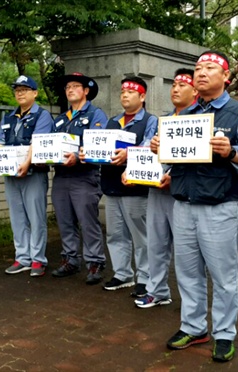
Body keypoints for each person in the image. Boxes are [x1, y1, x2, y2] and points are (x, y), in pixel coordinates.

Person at [153, 50, 238, 362]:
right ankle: (193, 326)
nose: (201, 73)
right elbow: (175, 160)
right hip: (183, 204)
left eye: (210, 68)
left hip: (219, 206)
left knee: (224, 275)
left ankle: (224, 333)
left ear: (226, 77)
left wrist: (231, 151)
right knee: (187, 272)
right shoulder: (184, 117)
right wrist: (160, 152)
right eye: (197, 68)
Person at [85, 76, 157, 296]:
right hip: (111, 185)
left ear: (142, 96)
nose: (124, 95)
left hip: (136, 187)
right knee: (115, 234)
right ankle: (122, 273)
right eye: (122, 91)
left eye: (130, 91)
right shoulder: (113, 121)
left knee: (141, 235)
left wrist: (129, 154)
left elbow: (150, 146)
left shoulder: (150, 120)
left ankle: (145, 278)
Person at [133, 68, 197, 308]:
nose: (176, 89)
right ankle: (157, 291)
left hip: (183, 194)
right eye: (174, 85)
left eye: (182, 85)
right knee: (156, 243)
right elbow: (144, 150)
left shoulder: (199, 119)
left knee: (185, 251)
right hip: (156, 190)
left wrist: (173, 174)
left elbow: (197, 157)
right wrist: (133, 171)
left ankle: (191, 302)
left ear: (195, 91)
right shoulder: (162, 121)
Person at [50, 73, 108, 284]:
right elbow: (48, 144)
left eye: (75, 86)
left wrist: (78, 156)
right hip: (61, 176)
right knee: (65, 220)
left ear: (86, 91)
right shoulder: (59, 119)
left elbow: (97, 144)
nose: (70, 90)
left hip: (84, 175)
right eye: (68, 87)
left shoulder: (96, 115)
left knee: (87, 221)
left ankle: (95, 262)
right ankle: (70, 259)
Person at [0, 75, 54, 277]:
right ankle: (22, 257)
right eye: (17, 90)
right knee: (17, 217)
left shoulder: (42, 116)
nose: (19, 93)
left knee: (36, 217)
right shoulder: (8, 117)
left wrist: (26, 162)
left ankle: (38, 259)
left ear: (35, 93)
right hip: (11, 174)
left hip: (33, 173)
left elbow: (38, 141)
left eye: (25, 89)